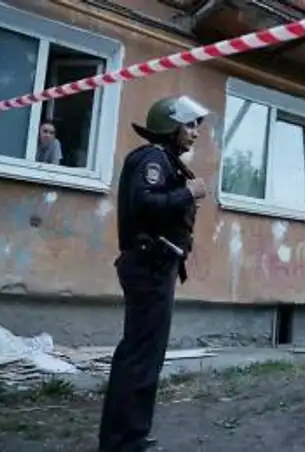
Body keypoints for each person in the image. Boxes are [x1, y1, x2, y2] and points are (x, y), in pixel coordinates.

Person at [98, 95, 210, 452]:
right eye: (189, 125)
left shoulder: (164, 160)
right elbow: (144, 203)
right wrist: (187, 193)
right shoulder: (152, 158)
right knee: (140, 357)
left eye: (196, 126)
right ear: (169, 125)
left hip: (156, 267)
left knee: (145, 356)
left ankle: (130, 436)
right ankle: (123, 443)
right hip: (149, 267)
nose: (195, 133)